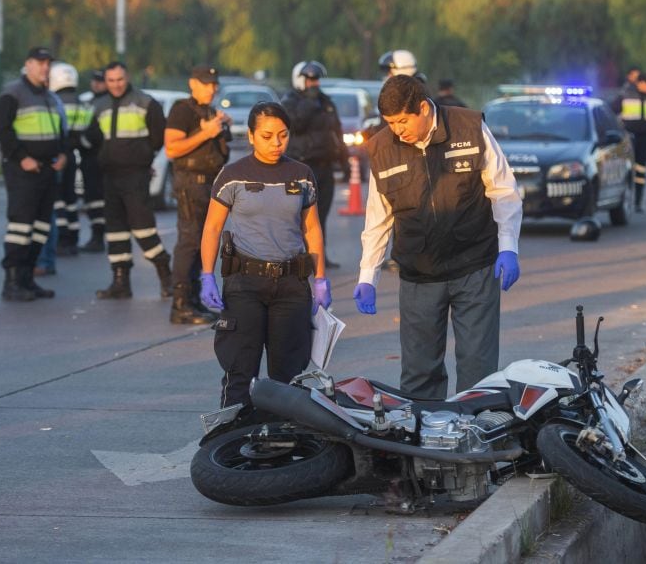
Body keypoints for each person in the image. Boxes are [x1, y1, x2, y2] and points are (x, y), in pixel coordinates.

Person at [354, 75, 523, 400]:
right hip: (419, 276)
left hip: (474, 268)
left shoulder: (468, 127)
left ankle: (475, 441)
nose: (396, 130)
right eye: (390, 122)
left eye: (403, 120)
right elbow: (378, 218)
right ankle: (426, 448)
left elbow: (503, 190)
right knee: (419, 374)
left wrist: (508, 247)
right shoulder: (382, 149)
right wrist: (367, 276)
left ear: (422, 107)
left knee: (478, 369)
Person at [199, 101, 331, 409]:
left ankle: (285, 447)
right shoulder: (232, 175)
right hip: (245, 285)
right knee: (239, 372)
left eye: (283, 135)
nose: (276, 143)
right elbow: (212, 227)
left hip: (291, 286)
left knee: (288, 379)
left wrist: (321, 279)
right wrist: (207, 275)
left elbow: (312, 229)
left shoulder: (302, 175)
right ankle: (231, 444)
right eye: (268, 136)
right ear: (251, 136)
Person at [85, 61, 171, 299]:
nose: (115, 85)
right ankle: (120, 282)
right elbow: (92, 138)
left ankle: (166, 276)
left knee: (143, 227)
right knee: (115, 231)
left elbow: (157, 137)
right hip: (110, 177)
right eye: (110, 81)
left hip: (135, 175)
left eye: (120, 79)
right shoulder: (98, 105)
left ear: (128, 77)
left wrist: (143, 157)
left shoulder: (145, 102)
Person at [0, 46, 67, 301]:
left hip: (47, 169)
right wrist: (22, 158)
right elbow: (1, 129)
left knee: (40, 227)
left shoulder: (48, 96)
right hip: (22, 170)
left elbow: (59, 131)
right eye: (40, 62)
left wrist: (63, 153)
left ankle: (27, 279)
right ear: (28, 64)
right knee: (21, 226)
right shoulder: (14, 92)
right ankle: (12, 281)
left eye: (48, 62)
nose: (45, 67)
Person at [164, 66, 232, 324]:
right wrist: (207, 132)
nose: (211, 89)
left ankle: (193, 300)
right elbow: (172, 148)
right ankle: (179, 303)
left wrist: (222, 126)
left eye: (214, 84)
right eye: (205, 83)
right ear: (192, 83)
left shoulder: (210, 111)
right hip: (190, 183)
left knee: (203, 241)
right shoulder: (182, 110)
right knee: (189, 241)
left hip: (209, 183)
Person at [281, 61, 348, 269]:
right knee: (297, 214)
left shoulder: (325, 102)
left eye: (316, 80)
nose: (314, 84)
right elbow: (294, 124)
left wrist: (343, 159)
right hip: (300, 167)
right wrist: (308, 104)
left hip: (324, 166)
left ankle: (318, 255)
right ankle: (295, 256)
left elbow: (335, 131)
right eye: (310, 80)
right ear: (300, 80)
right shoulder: (290, 101)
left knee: (320, 214)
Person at [611, 72, 646, 212]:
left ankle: (638, 202)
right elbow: (611, 111)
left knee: (641, 170)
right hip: (629, 137)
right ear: (639, 83)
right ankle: (622, 200)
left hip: (645, 138)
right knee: (626, 168)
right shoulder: (626, 97)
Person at [48, 61, 86, 256]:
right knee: (71, 198)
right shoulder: (81, 102)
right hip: (73, 155)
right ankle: (73, 238)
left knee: (58, 199)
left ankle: (62, 238)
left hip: (58, 155)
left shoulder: (54, 102)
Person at [78, 69, 108, 253]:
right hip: (88, 158)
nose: (96, 84)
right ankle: (96, 236)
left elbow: (96, 132)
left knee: (98, 199)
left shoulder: (105, 103)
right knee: (91, 199)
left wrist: (84, 141)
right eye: (94, 81)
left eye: (100, 81)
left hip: (99, 157)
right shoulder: (89, 102)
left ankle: (98, 237)